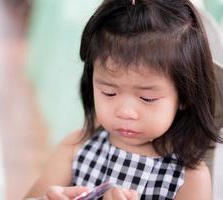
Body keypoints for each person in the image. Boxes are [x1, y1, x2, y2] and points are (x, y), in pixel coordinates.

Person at [24, 0, 223, 199]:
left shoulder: (189, 178)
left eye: (147, 98)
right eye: (109, 93)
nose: (125, 111)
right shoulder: (77, 147)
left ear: (185, 95)